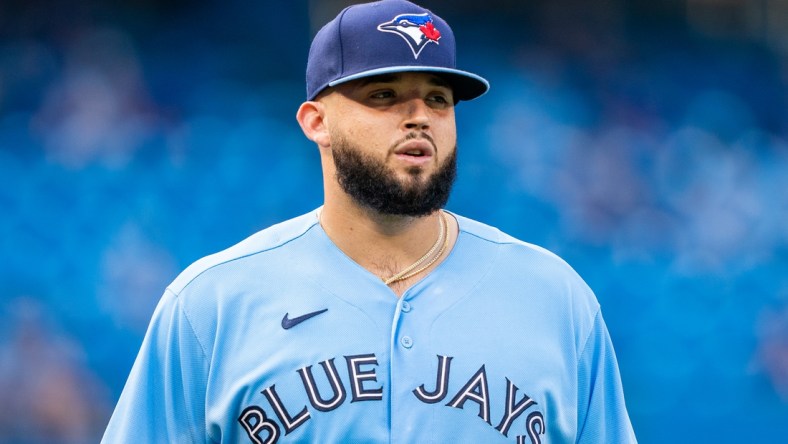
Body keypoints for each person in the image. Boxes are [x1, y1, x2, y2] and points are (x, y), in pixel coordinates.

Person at [102, 0, 637, 442]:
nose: (419, 116)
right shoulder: (211, 304)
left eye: (438, 98)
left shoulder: (555, 298)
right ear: (317, 122)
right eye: (383, 95)